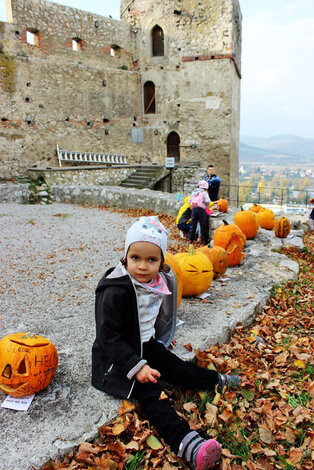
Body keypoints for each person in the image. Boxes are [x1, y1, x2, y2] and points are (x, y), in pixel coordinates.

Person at [92, 216, 240, 470]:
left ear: (161, 262)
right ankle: (187, 443)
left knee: (179, 369)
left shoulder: (159, 281)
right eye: (135, 257)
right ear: (125, 255)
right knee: (153, 394)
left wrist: (159, 341)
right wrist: (137, 366)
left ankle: (215, 380)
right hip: (119, 359)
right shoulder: (114, 290)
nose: (142, 266)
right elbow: (109, 337)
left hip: (146, 345)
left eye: (151, 259)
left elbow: (157, 316)